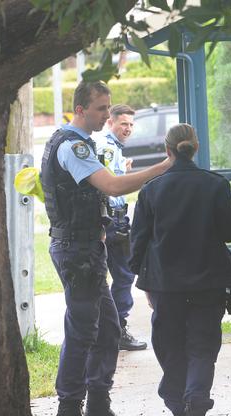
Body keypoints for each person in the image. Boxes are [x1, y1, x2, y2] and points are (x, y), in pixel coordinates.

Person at [41, 81, 172, 416]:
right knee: (82, 330)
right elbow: (112, 186)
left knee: (109, 328)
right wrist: (163, 167)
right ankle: (68, 413)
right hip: (77, 252)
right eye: (101, 108)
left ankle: (96, 405)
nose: (107, 115)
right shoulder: (73, 145)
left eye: (107, 107)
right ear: (81, 109)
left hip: (85, 250)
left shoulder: (72, 143)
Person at [130, 123, 231, 416]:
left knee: (170, 347)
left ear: (167, 151)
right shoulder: (215, 186)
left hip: (166, 285)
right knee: (202, 348)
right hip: (208, 283)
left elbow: (138, 241)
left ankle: (179, 413)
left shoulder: (151, 190)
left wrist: (142, 279)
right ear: (195, 147)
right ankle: (195, 411)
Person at [94, 104, 147, 351]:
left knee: (117, 277)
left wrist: (122, 171)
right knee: (123, 276)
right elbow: (106, 186)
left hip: (116, 219)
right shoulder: (106, 146)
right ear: (110, 123)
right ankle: (115, 331)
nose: (128, 128)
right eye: (123, 123)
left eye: (131, 124)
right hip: (111, 221)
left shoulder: (113, 147)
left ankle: (109, 331)